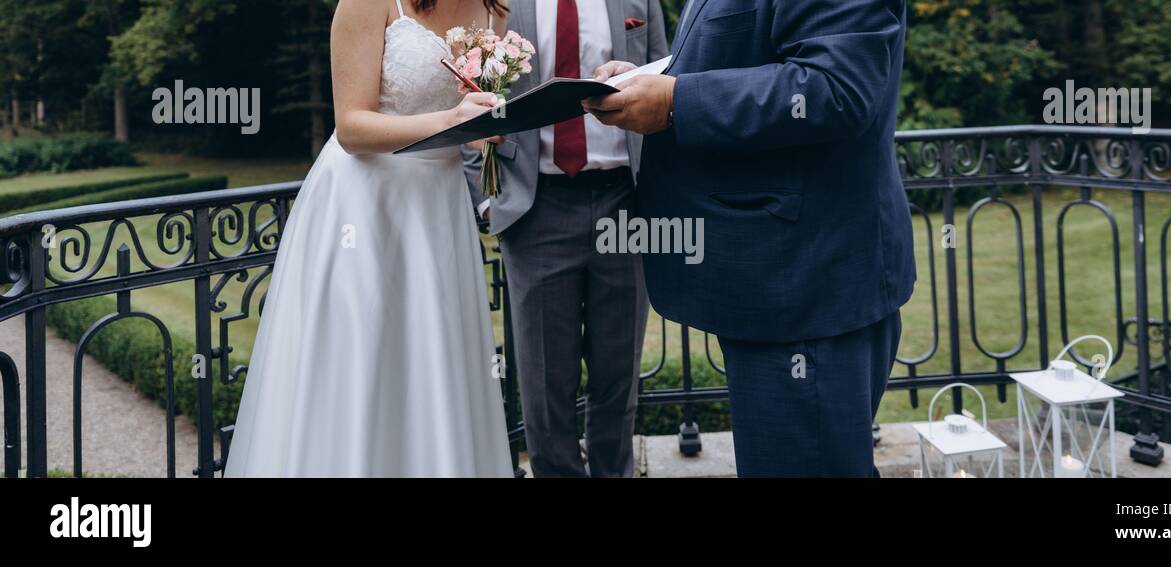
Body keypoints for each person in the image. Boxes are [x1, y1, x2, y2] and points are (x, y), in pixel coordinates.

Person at [584, 0, 916, 477]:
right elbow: (752, 54)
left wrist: (676, 100)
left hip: (805, 290)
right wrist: (652, 79)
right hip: (781, 285)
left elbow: (834, 88)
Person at [224, 0, 513, 477]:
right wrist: (451, 123)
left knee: (433, 361)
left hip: (438, 206)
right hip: (363, 205)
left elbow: (474, 111)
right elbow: (352, 127)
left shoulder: (493, 8)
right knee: (360, 361)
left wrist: (488, 127)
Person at [464, 0, 668, 477]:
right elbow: (468, 96)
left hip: (624, 204)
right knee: (543, 387)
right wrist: (487, 197)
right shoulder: (499, 5)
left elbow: (667, 82)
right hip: (538, 209)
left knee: (618, 380)